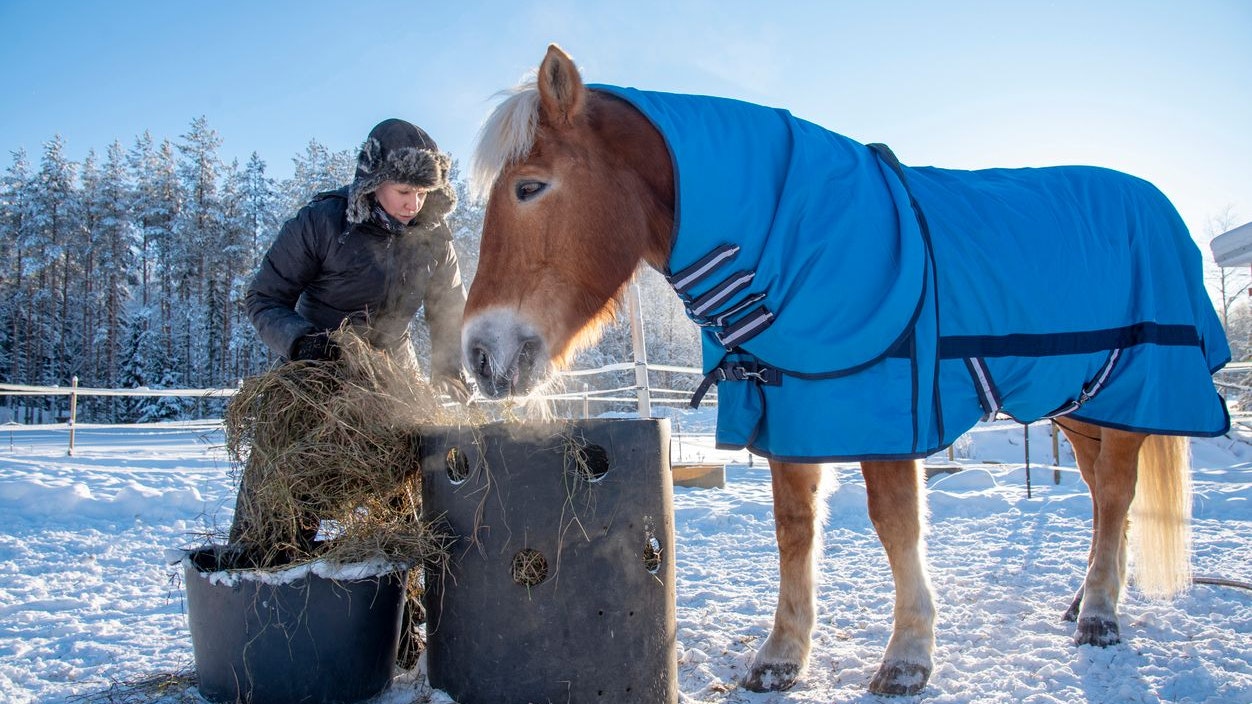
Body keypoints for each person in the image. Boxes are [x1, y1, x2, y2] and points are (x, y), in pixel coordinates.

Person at [245, 117, 470, 400]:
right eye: (403, 191)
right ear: (374, 181)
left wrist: (448, 368)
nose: (413, 205)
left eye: (423, 194)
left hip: (395, 379)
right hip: (318, 376)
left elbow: (448, 309)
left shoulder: (434, 237)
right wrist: (302, 341)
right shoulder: (322, 222)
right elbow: (263, 298)